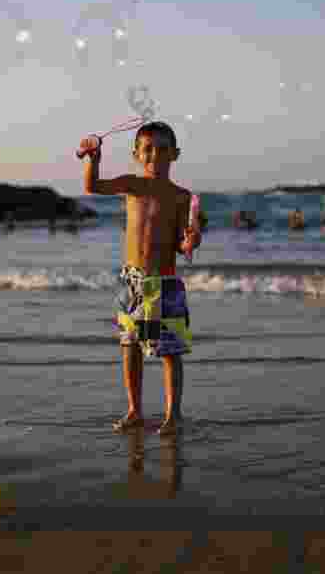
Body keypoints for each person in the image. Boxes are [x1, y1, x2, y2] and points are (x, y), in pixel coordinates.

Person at [79, 122, 201, 435]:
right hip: (131, 281)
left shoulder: (181, 197)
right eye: (147, 149)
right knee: (130, 345)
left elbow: (182, 245)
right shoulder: (132, 185)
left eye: (162, 149)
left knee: (169, 352)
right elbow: (93, 187)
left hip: (164, 282)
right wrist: (94, 158)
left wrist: (191, 240)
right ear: (136, 154)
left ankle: (173, 415)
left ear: (175, 154)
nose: (154, 154)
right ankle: (135, 410)